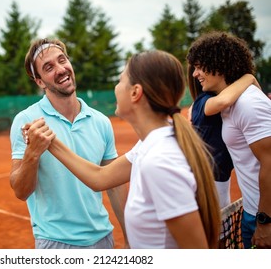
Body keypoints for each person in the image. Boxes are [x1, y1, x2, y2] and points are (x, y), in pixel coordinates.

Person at [24, 50, 221, 248]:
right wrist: (50, 141)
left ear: (135, 92)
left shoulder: (159, 161)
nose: (116, 87)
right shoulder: (150, 144)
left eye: (120, 80)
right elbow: (100, 177)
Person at [9, 38, 128, 249]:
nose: (61, 69)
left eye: (62, 60)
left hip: (103, 239)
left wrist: (129, 235)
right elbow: (21, 191)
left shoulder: (100, 121)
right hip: (55, 244)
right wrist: (32, 154)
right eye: (48, 67)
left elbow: (115, 186)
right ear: (40, 82)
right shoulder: (26, 120)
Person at [187, 31, 271, 249]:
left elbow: (270, 162)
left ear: (218, 63)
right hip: (251, 211)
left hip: (262, 218)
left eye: (198, 66)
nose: (195, 74)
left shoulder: (247, 103)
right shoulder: (219, 104)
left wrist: (265, 221)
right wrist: (249, 78)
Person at [188, 70, 259, 209]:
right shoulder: (202, 102)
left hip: (218, 180)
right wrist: (249, 77)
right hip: (207, 183)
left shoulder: (215, 100)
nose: (196, 73)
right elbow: (223, 101)